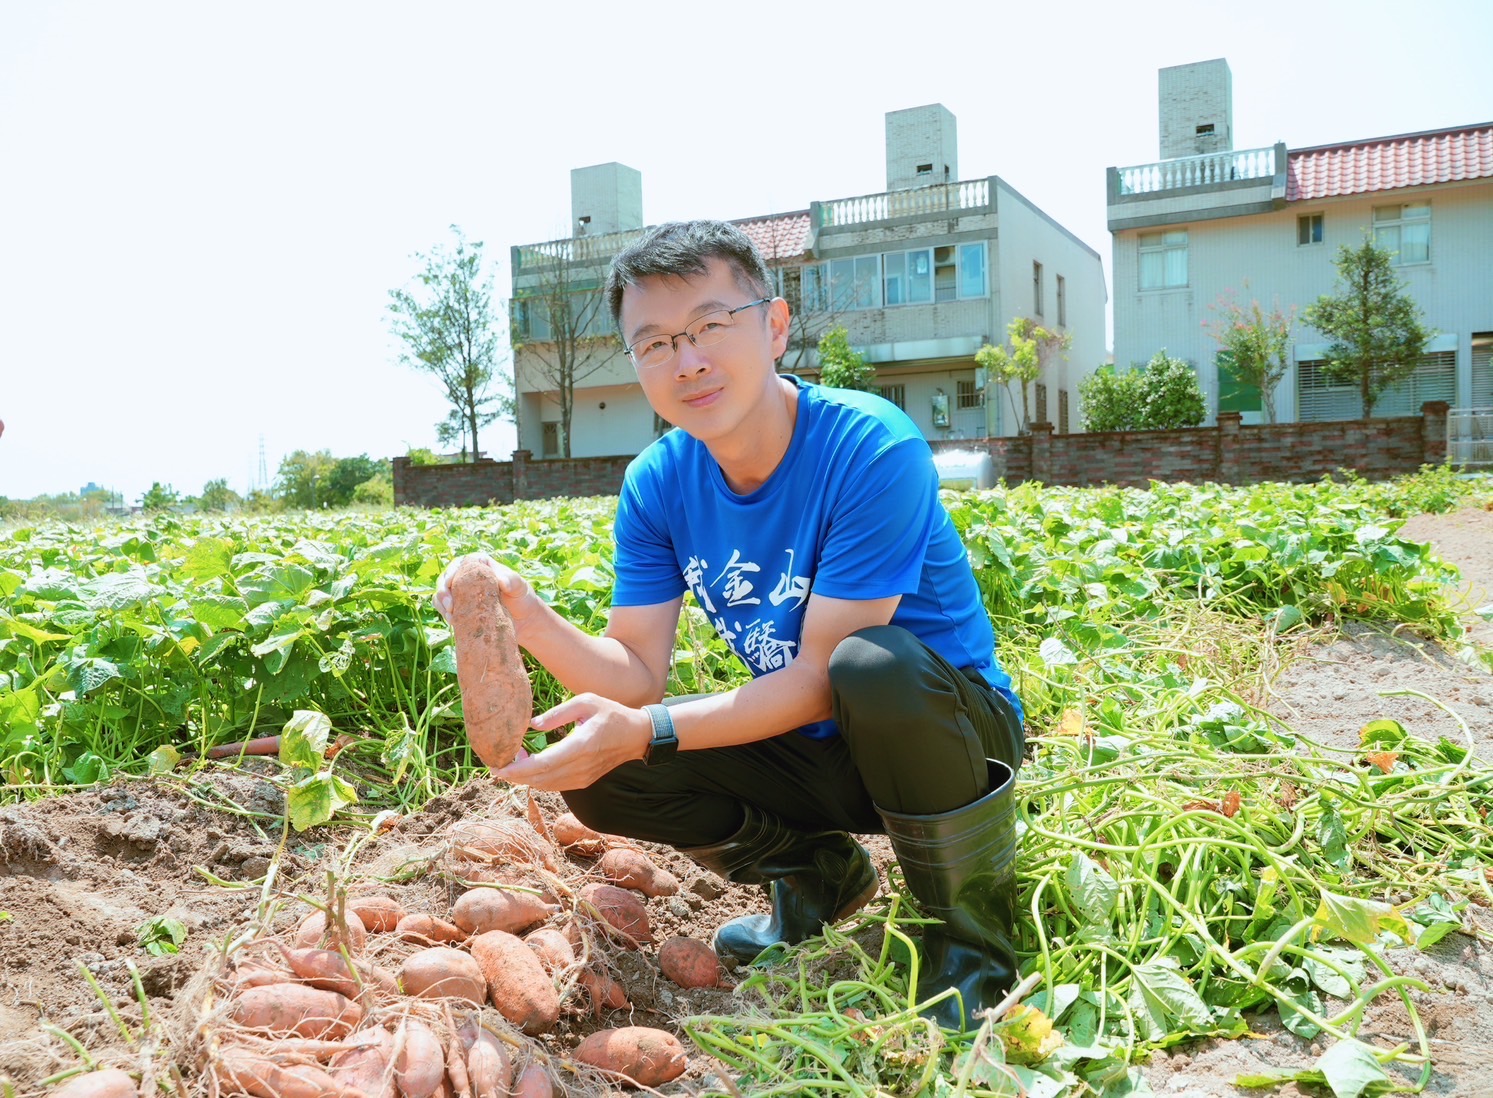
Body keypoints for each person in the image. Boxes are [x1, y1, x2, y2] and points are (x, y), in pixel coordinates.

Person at [435, 219, 1025, 1031]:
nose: (689, 361)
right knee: (604, 771)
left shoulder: (867, 447)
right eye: (655, 344)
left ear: (773, 326)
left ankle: (973, 941)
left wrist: (646, 728)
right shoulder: (660, 483)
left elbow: (823, 675)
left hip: (945, 732)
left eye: (711, 325)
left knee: (870, 665)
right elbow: (636, 672)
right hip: (817, 744)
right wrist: (526, 618)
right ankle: (818, 876)